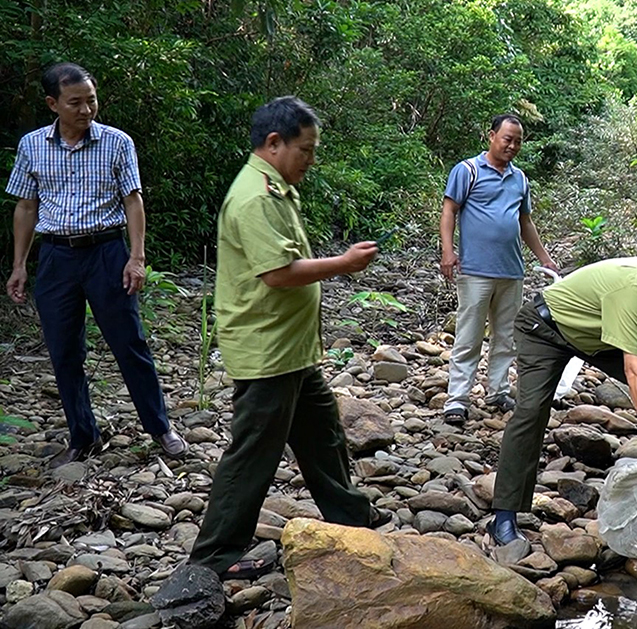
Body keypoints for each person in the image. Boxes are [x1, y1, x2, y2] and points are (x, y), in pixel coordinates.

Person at [187, 96, 390, 578]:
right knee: (253, 451)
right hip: (267, 349)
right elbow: (277, 273)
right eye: (306, 150)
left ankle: (351, 518)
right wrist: (343, 263)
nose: (311, 161)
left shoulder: (276, 187)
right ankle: (214, 557)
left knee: (323, 435)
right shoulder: (255, 196)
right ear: (274, 143)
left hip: (292, 349)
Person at [490, 231, 637, 546]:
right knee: (531, 412)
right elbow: (634, 371)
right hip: (545, 329)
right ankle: (504, 516)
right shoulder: (634, 287)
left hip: (597, 335)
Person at [5, 62, 187, 468]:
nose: (86, 110)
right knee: (64, 351)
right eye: (75, 103)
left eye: (91, 100)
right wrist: (20, 264)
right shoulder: (32, 145)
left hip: (107, 251)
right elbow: (26, 205)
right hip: (55, 257)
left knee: (129, 343)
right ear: (53, 104)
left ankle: (160, 428)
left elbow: (133, 200)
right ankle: (83, 436)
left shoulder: (117, 142)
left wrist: (137, 257)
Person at [439, 114, 557, 426]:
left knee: (506, 337)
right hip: (475, 269)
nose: (513, 145)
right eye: (507, 139)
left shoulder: (520, 179)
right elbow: (449, 211)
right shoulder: (468, 171)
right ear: (491, 136)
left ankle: (498, 391)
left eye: (518, 141)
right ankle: (457, 400)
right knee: (469, 335)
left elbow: (525, 222)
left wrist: (544, 258)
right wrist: (448, 252)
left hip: (511, 270)